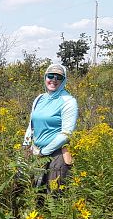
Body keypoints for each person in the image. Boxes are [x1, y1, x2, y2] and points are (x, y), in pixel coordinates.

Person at [22, 63, 78, 192]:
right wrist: (26, 145)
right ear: (45, 77)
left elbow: (66, 133)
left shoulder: (69, 101)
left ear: (64, 81)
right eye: (50, 76)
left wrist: (44, 152)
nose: (53, 80)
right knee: (27, 187)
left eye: (58, 77)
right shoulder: (39, 98)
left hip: (56, 152)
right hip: (35, 149)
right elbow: (31, 124)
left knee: (53, 192)